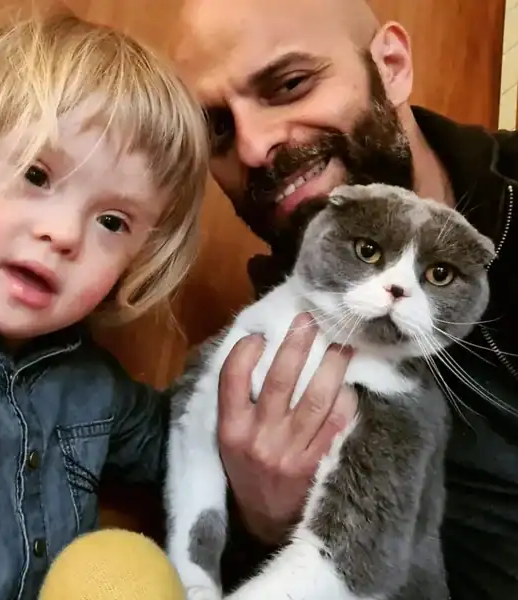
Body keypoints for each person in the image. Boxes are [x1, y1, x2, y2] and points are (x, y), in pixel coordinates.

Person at [165, 0, 518, 599]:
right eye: (219, 128)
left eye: (289, 85)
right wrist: (264, 524)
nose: (253, 147)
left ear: (392, 65)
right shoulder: (263, 358)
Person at [0, 11, 209, 600]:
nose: (65, 233)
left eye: (112, 221)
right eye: (36, 173)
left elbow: (186, 448)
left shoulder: (95, 388)